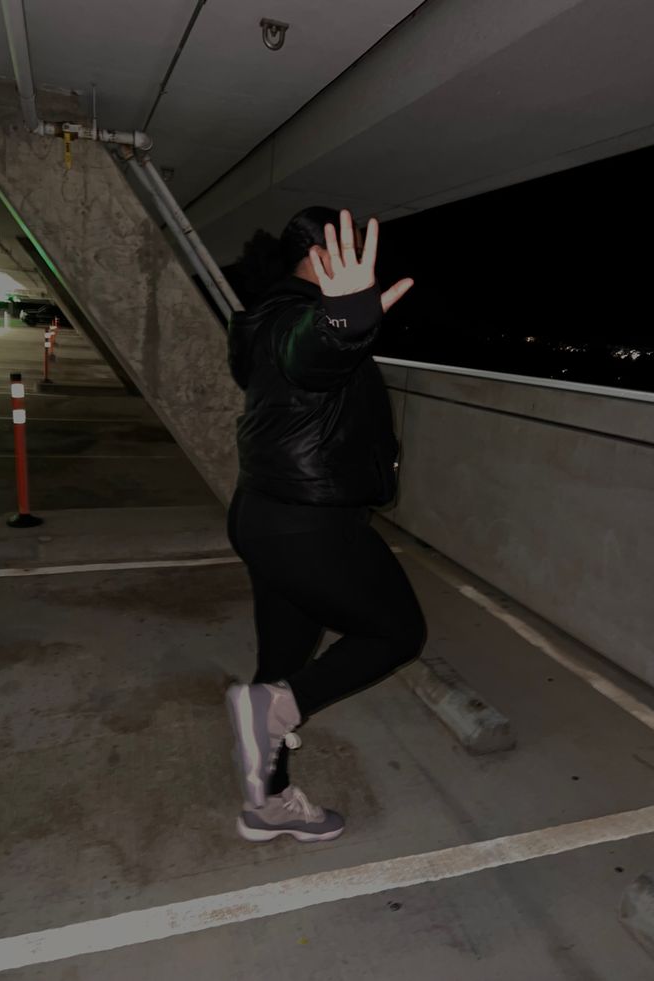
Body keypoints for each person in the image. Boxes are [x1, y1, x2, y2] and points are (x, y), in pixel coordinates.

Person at [226, 207, 426, 843]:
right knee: (397, 632)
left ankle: (268, 801)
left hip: (266, 516)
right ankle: (275, 713)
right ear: (318, 255)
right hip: (309, 524)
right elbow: (312, 353)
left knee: (282, 663)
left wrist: (340, 319)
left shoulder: (263, 317)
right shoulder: (297, 318)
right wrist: (345, 318)